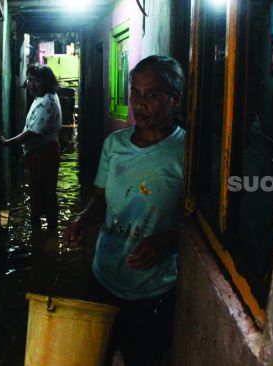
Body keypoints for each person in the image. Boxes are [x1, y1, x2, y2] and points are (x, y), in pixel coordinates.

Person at [63, 55, 186, 366]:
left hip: (153, 289)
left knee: (142, 358)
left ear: (175, 100)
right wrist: (82, 219)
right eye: (135, 93)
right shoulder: (114, 144)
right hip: (103, 275)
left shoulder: (187, 152)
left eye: (152, 95)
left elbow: (195, 221)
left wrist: (165, 242)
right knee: (93, 355)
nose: (139, 103)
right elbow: (101, 199)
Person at [0, 63, 62, 234]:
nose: (32, 84)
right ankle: (44, 233)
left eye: (37, 80)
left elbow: (32, 133)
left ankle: (47, 235)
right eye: (30, 79)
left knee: (45, 192)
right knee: (40, 191)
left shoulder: (46, 101)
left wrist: (6, 143)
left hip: (44, 152)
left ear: (46, 82)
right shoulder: (44, 97)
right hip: (41, 151)